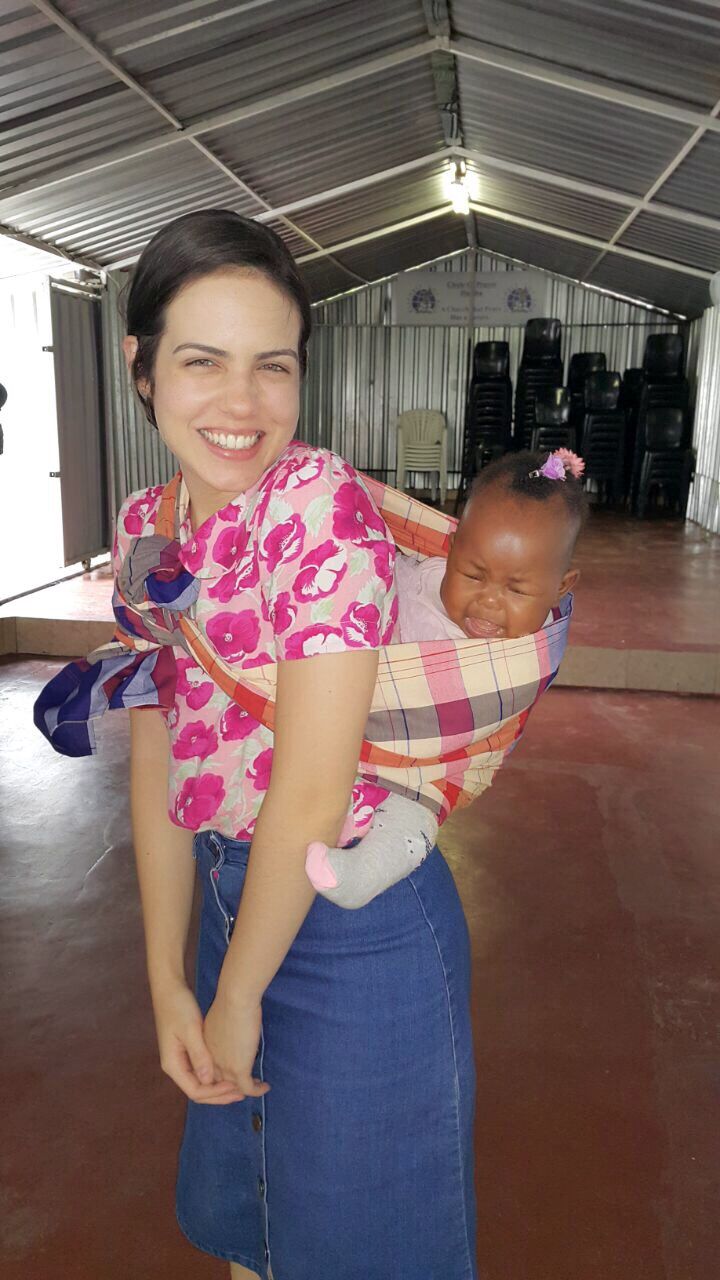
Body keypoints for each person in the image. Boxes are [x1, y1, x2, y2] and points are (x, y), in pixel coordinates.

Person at [102, 210, 477, 1280]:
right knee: (254, 1229)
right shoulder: (145, 528)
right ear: (141, 368)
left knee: (365, 1247)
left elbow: (311, 791)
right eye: (201, 361)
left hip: (354, 926)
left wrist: (232, 994)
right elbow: (155, 750)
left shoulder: (317, 507)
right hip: (232, 905)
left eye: (273, 365)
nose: (241, 403)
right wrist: (171, 978)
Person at [306, 448, 587, 909]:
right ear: (452, 547)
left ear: (561, 586)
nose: (489, 603)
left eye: (517, 589)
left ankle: (363, 873)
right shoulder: (417, 576)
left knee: (415, 814)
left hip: (427, 769)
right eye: (473, 574)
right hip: (347, 707)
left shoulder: (514, 663)